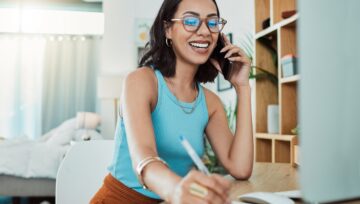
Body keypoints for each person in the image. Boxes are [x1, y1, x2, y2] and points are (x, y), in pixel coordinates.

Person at [91, 0, 253, 203]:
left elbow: (240, 167)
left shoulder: (211, 103)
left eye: (212, 23)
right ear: (168, 29)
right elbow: (144, 158)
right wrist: (176, 190)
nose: (204, 31)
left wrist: (242, 87)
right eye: (191, 21)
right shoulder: (141, 81)